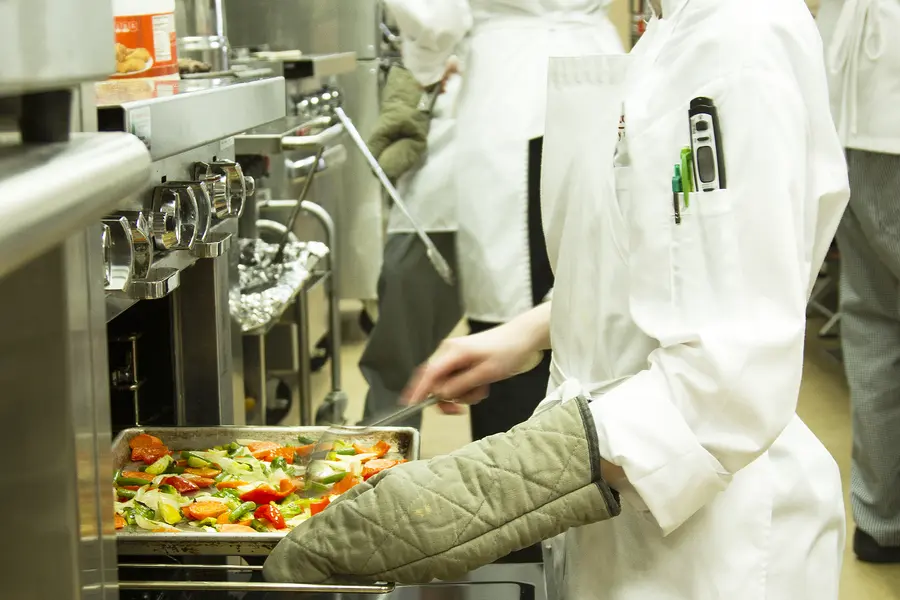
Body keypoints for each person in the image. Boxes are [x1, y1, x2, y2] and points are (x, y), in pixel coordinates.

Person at [264, 0, 850, 597]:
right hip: (625, 526)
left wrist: (475, 494)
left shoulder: (737, 41)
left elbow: (727, 381)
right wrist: (538, 327)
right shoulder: (672, 30)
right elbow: (666, 260)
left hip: (712, 549)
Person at [380, 0, 624, 442]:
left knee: (512, 317)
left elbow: (435, 16)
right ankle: (591, 470)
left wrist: (426, 66)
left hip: (510, 88)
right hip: (603, 75)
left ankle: (521, 487)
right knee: (593, 298)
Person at [817, 0, 900, 563]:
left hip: (843, 105)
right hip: (883, 101)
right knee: (873, 319)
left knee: (873, 320)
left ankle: (880, 520)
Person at [358, 71, 464, 430]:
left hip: (521, 200)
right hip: (431, 199)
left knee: (521, 362)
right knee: (397, 363)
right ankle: (379, 470)